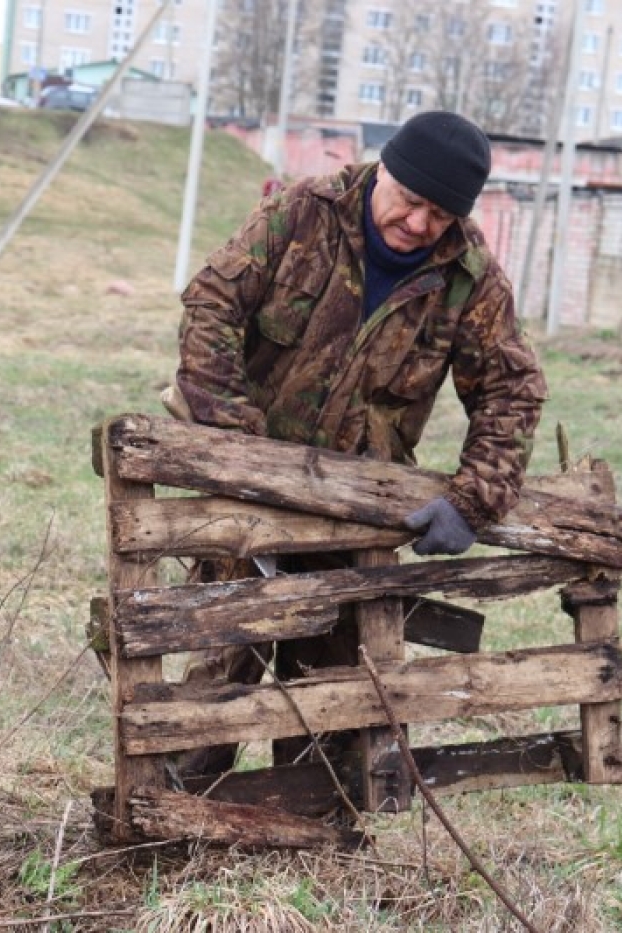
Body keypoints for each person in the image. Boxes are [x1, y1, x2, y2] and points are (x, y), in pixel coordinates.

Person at [171, 111, 548, 777]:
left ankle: (313, 840)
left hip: (355, 512)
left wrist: (473, 499)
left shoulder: (467, 279)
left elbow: (511, 389)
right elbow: (212, 304)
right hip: (248, 501)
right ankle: (186, 820)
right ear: (384, 171)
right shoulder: (301, 217)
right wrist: (233, 444)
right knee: (221, 670)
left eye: (439, 213)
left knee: (330, 694)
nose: (419, 224)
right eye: (410, 201)